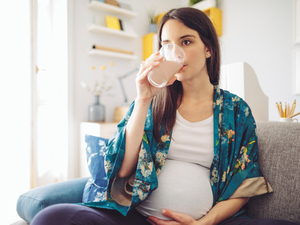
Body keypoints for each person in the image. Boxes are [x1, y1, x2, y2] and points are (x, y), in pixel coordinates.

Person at [31, 7, 299, 225]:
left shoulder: (235, 109)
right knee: (51, 217)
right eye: (167, 44)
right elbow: (123, 169)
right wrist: (143, 98)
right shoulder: (154, 101)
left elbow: (244, 184)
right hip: (138, 216)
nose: (176, 52)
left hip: (206, 223)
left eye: (186, 41)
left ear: (208, 48)